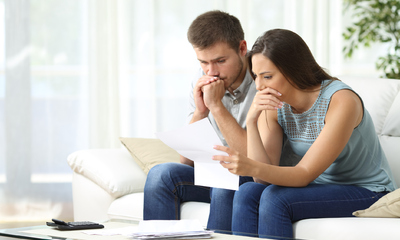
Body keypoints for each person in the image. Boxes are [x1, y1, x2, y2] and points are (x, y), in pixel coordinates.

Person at [211, 29, 396, 238]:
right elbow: (262, 178)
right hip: (319, 187)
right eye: (256, 76)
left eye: (268, 76)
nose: (259, 86)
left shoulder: (341, 100)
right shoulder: (273, 104)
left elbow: (304, 174)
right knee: (245, 191)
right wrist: (252, 121)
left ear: (293, 70)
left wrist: (250, 165)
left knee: (275, 198)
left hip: (369, 191)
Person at [143, 10, 257, 231]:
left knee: (226, 182)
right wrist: (201, 112)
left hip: (251, 175)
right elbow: (185, 162)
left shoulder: (263, 76)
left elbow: (253, 162)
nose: (211, 72)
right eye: (203, 62)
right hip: (214, 174)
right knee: (160, 175)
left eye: (220, 61)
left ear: (242, 49)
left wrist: (216, 106)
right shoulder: (200, 78)